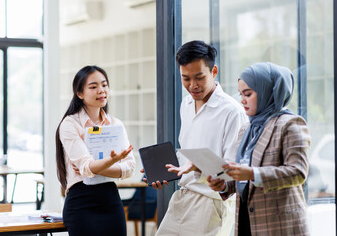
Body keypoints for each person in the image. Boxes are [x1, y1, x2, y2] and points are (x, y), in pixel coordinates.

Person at [151, 40, 247, 236]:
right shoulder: (186, 104)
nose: (192, 86)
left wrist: (197, 166)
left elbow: (231, 172)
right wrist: (164, 170)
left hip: (212, 204)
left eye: (199, 78)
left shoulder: (232, 112)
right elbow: (186, 152)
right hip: (182, 197)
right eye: (185, 79)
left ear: (214, 72)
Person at [207, 62, 310, 236]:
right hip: (247, 222)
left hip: (280, 226)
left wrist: (253, 174)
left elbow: (298, 173)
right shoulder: (246, 130)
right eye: (241, 94)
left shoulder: (291, 124)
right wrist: (225, 185)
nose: (242, 100)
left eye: (248, 94)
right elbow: (244, 178)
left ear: (266, 91)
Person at [55, 65, 135, 236]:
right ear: (80, 93)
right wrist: (111, 162)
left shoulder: (115, 124)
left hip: (110, 201)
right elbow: (86, 166)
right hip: (81, 204)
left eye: (104, 85)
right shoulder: (70, 124)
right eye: (93, 87)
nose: (101, 90)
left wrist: (98, 167)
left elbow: (129, 168)